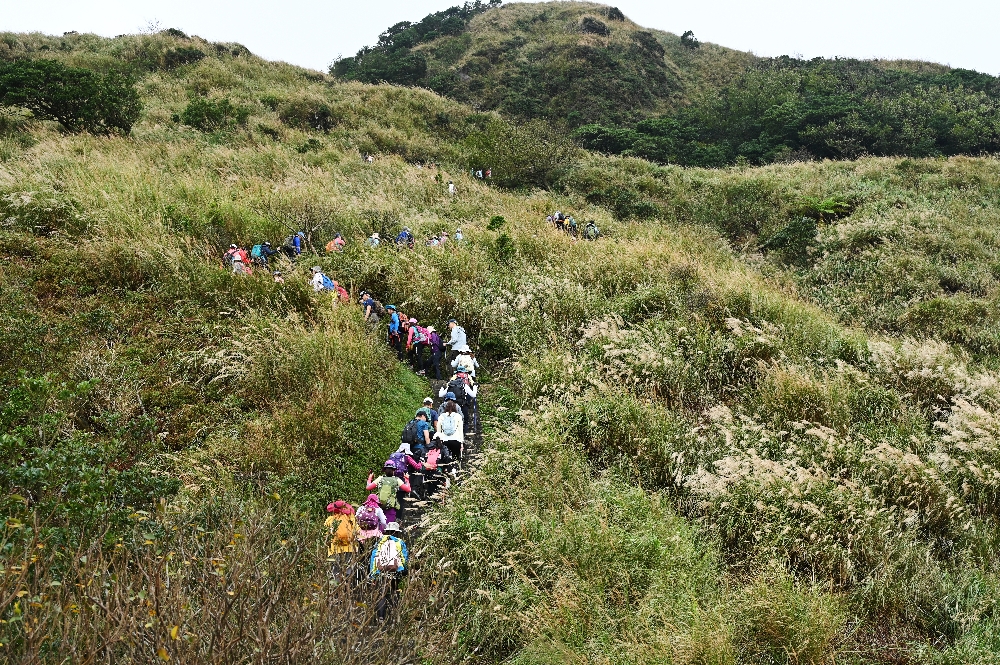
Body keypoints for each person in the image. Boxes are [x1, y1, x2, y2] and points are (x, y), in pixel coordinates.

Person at [369, 522, 408, 621]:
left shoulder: (380, 542)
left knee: (382, 593)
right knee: (394, 591)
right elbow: (404, 558)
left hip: (380, 571)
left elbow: (373, 557)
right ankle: (394, 617)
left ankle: (381, 617)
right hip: (396, 571)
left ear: (387, 531)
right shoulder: (400, 542)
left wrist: (372, 574)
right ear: (397, 532)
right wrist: (404, 570)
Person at [324, 500, 359, 580]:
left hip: (334, 549)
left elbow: (325, 537)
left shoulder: (330, 520)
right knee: (348, 571)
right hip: (350, 549)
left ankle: (336, 587)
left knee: (334, 573)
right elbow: (357, 532)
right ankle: (347, 586)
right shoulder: (351, 518)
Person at [436, 398, 464, 464]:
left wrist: (439, 441)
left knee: (446, 459)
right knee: (456, 459)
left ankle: (447, 469)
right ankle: (455, 469)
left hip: (444, 441)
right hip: (456, 440)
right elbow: (460, 431)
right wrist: (461, 443)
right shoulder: (458, 416)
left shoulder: (441, 416)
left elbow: (438, 431)